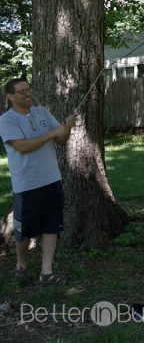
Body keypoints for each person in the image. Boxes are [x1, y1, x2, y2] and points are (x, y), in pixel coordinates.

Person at [0, 78, 75, 285]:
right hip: (27, 184)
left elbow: (61, 140)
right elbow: (22, 147)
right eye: (22, 91)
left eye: (29, 89)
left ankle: (46, 272)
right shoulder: (7, 120)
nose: (28, 94)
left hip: (52, 179)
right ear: (10, 97)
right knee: (24, 230)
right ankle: (21, 266)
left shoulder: (42, 112)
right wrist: (52, 133)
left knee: (51, 225)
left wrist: (67, 128)